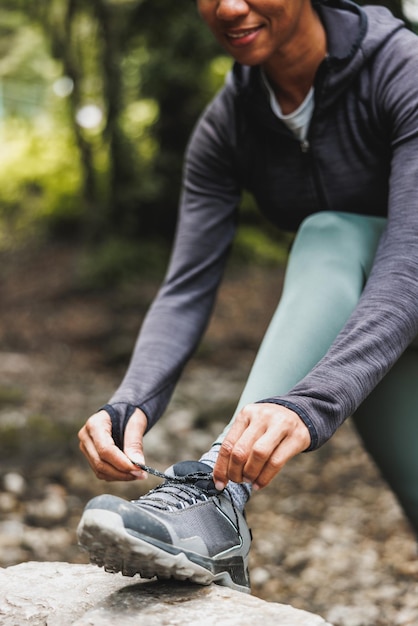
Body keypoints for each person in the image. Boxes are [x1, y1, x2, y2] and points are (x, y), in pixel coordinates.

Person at [77, 0, 418, 594]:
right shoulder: (229, 122)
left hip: (400, 294)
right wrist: (129, 403)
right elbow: (186, 287)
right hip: (378, 337)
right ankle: (218, 504)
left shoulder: (401, 68)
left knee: (328, 231)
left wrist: (310, 401)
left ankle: (215, 488)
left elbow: (411, 255)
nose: (230, 6)